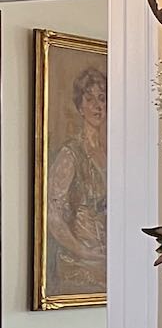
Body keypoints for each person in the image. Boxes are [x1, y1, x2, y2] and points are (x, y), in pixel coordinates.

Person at [46, 66, 108, 295]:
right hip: (79, 263)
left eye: (102, 99)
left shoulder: (114, 153)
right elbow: (53, 215)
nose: (97, 106)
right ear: (80, 107)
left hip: (108, 260)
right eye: (90, 99)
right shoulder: (70, 154)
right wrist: (83, 251)